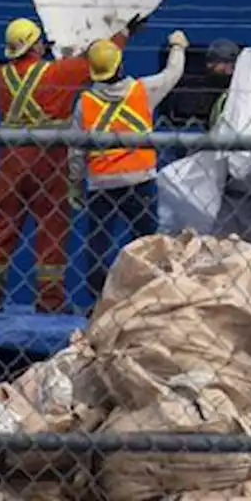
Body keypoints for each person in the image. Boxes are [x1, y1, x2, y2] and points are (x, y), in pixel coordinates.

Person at [0, 14, 145, 313]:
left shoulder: (0, 75)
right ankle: (50, 301)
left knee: (2, 225)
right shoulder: (56, 73)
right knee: (51, 226)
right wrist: (124, 33)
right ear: (35, 46)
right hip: (48, 156)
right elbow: (92, 61)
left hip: (11, 157)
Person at [73, 30, 188, 301]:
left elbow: (76, 150)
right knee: (148, 241)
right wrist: (178, 47)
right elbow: (172, 74)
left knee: (98, 244)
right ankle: (151, 295)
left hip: (102, 184)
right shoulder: (142, 91)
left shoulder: (85, 103)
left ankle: (99, 300)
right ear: (120, 64)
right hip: (140, 181)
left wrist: (75, 183)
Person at [205, 38, 241, 129]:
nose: (209, 66)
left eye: (214, 62)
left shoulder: (240, 94)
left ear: (229, 64)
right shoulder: (223, 94)